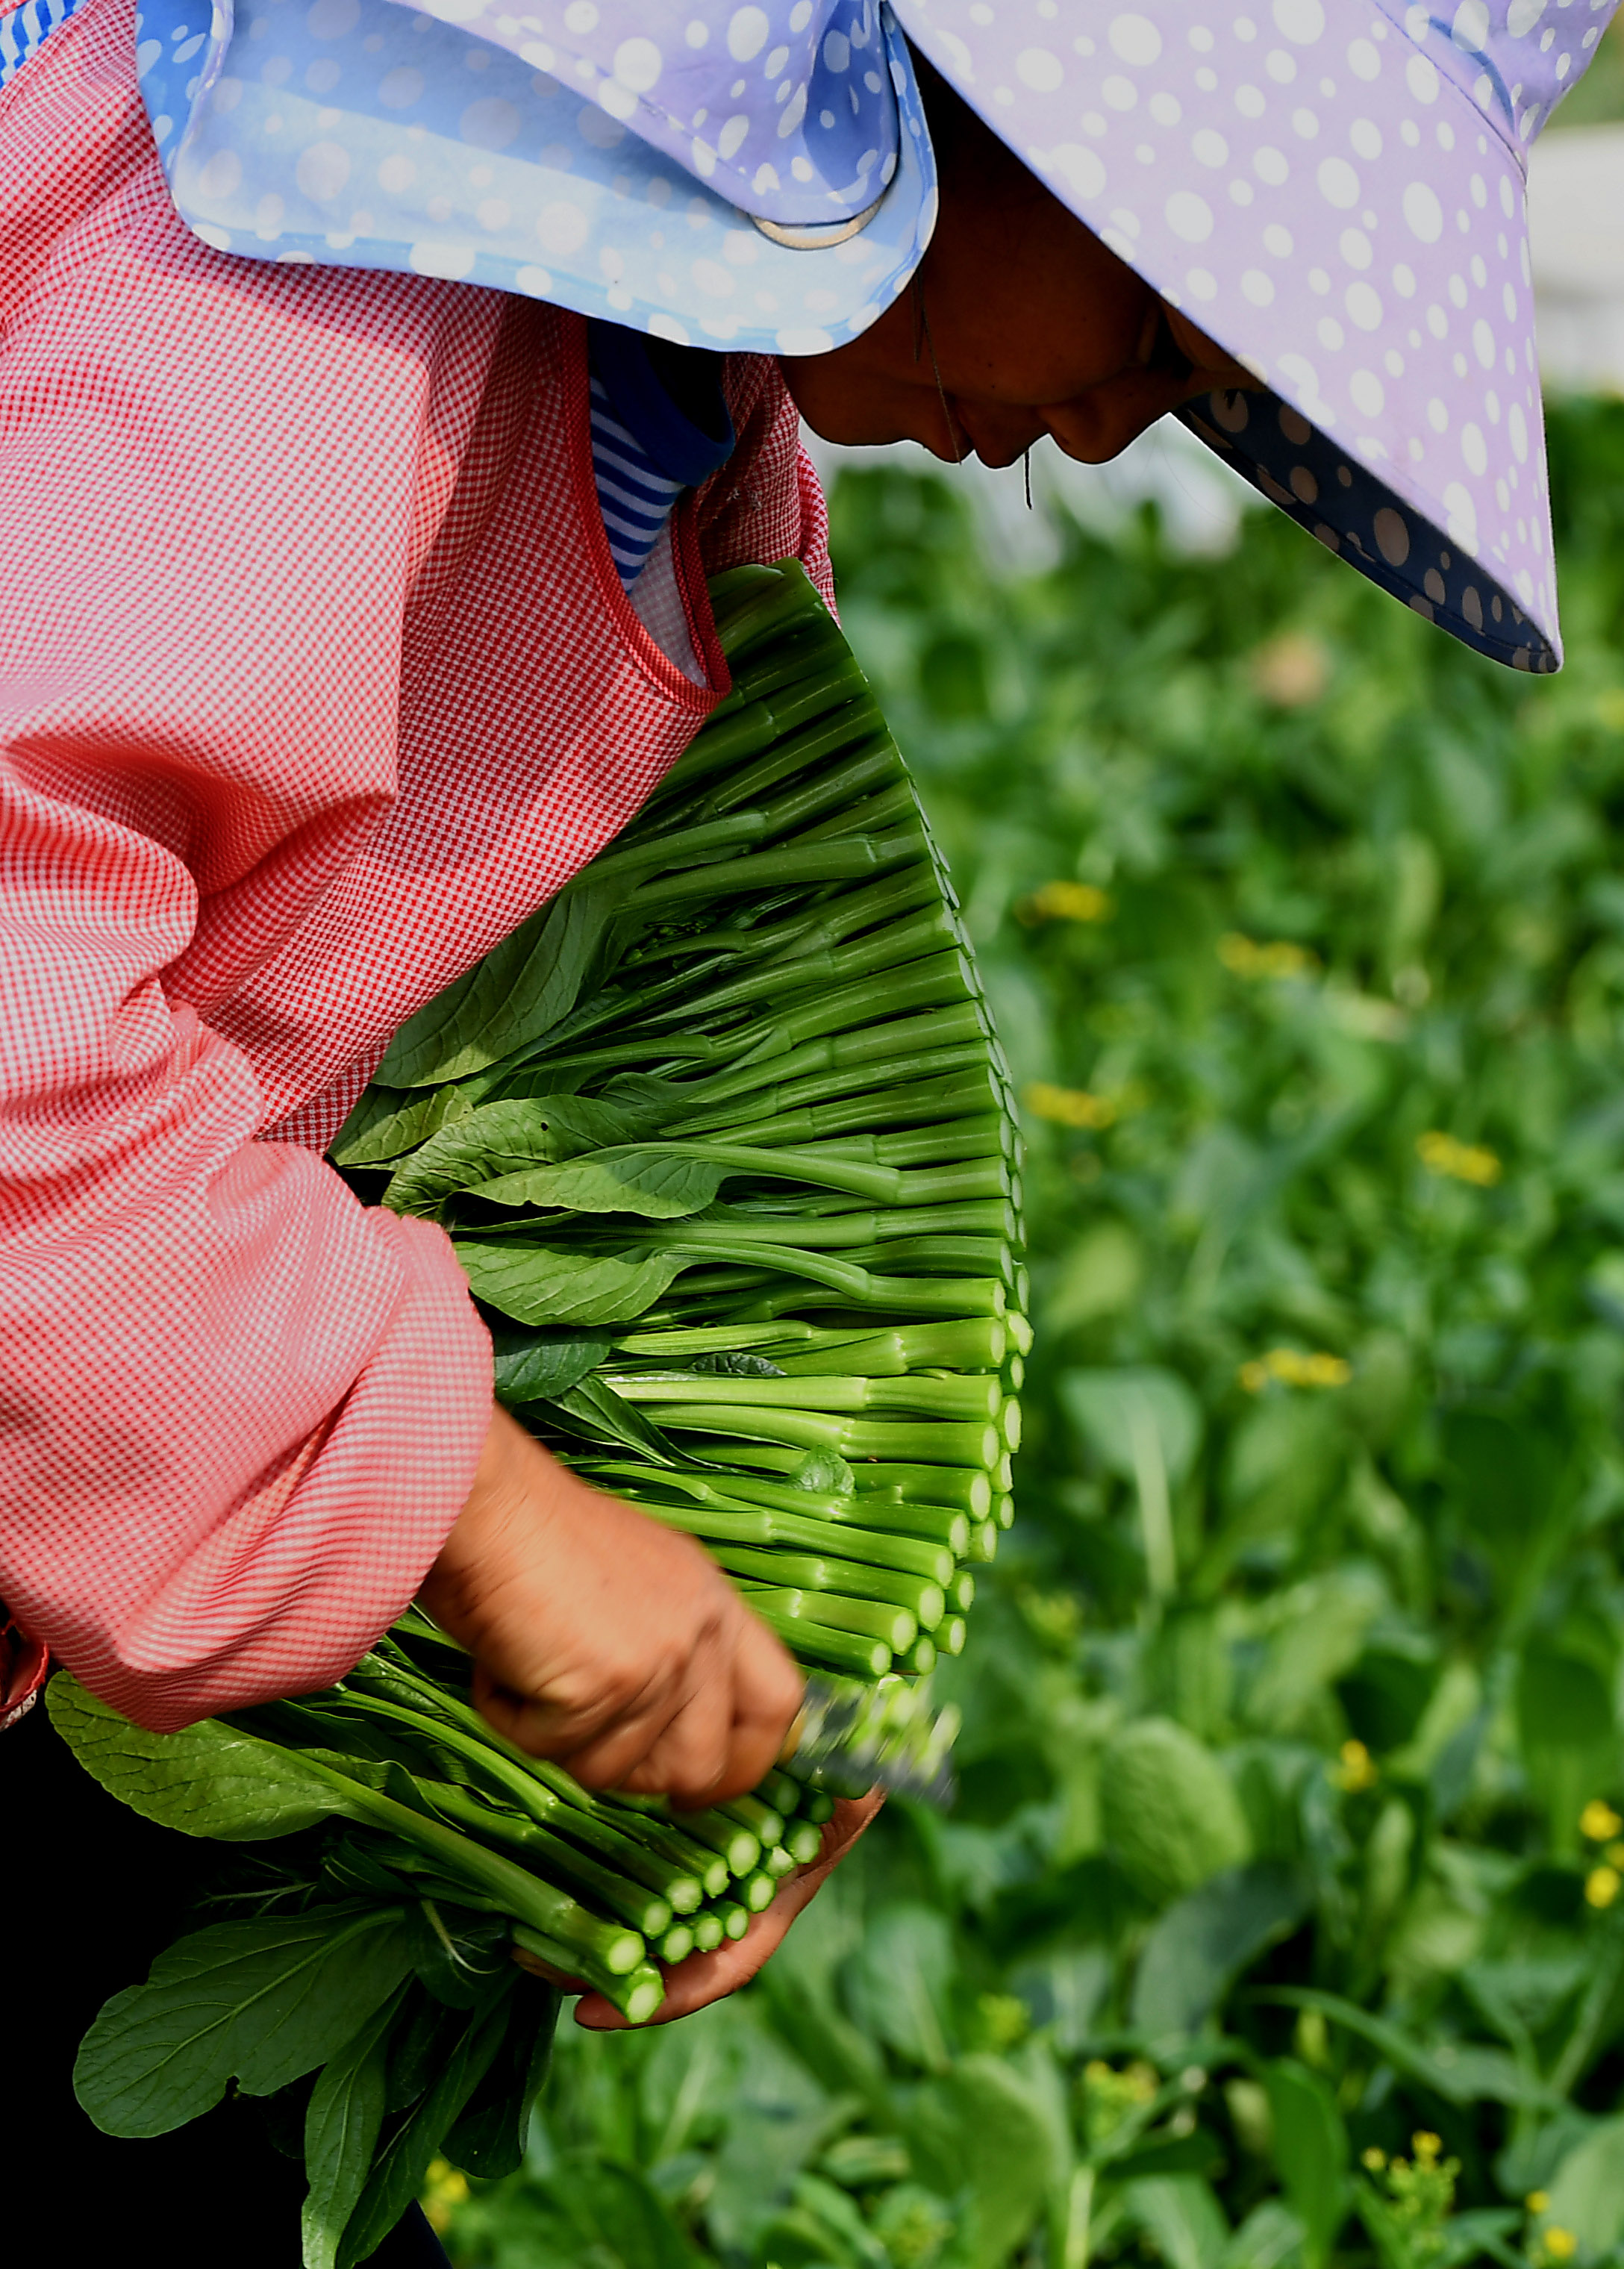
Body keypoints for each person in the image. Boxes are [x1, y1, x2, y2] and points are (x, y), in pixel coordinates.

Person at [2, 0, 1612, 2258]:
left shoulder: (665, 395)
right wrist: (480, 1517)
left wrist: (680, 1615)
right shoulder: (319, 275)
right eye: (1185, 301)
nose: (1179, 406)